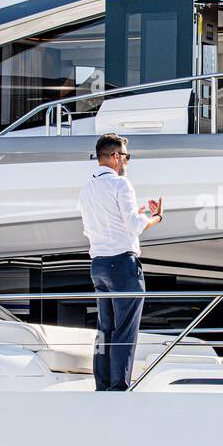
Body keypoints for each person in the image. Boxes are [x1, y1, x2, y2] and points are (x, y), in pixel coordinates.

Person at [78, 133, 163, 390]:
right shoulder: (121, 184)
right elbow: (135, 226)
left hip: (99, 264)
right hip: (122, 265)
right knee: (125, 329)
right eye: (126, 156)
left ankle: (103, 384)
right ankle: (119, 387)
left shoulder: (87, 188)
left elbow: (92, 228)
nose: (127, 161)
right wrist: (157, 217)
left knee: (105, 329)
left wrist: (131, 217)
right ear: (115, 157)